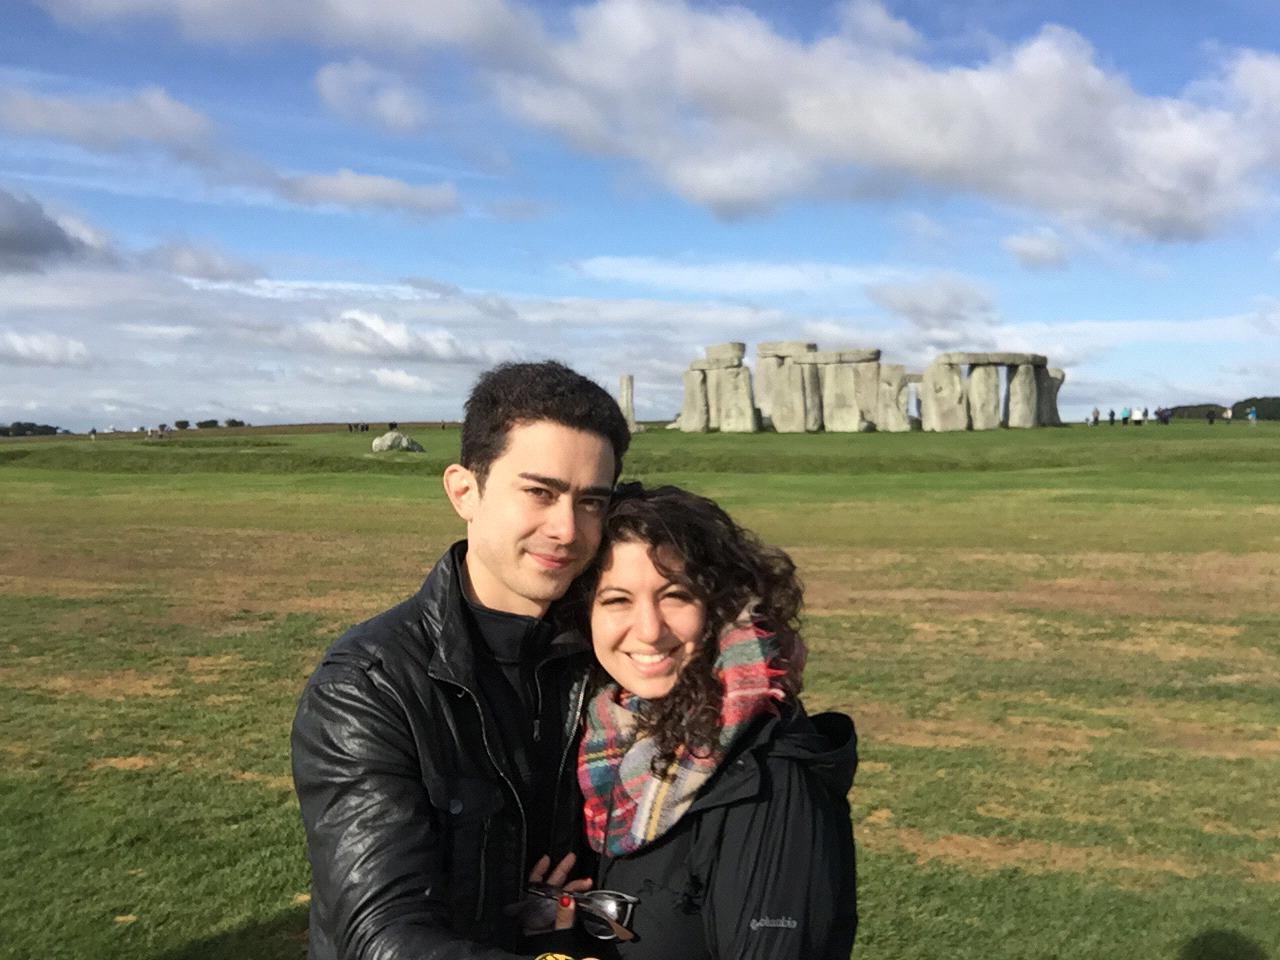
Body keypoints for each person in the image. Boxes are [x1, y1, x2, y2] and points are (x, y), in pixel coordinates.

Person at [291, 360, 631, 960]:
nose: (566, 529)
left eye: (591, 502)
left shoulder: (615, 657)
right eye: (539, 492)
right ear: (464, 491)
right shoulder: (368, 686)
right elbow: (383, 935)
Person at [543, 484, 858, 960]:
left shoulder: (769, 784)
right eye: (616, 600)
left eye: (675, 596)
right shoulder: (607, 746)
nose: (649, 630)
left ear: (718, 607)